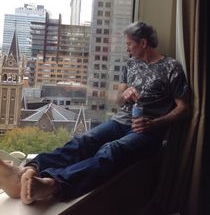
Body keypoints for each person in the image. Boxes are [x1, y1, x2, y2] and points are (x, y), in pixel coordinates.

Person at [0, 21, 189, 205]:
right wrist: (124, 93)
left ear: (143, 43)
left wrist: (156, 123)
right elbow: (118, 99)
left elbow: (183, 108)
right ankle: (27, 171)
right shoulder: (131, 65)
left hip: (147, 131)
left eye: (129, 44)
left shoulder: (171, 67)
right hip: (121, 121)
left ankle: (53, 184)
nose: (127, 49)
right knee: (83, 141)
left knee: (111, 151)